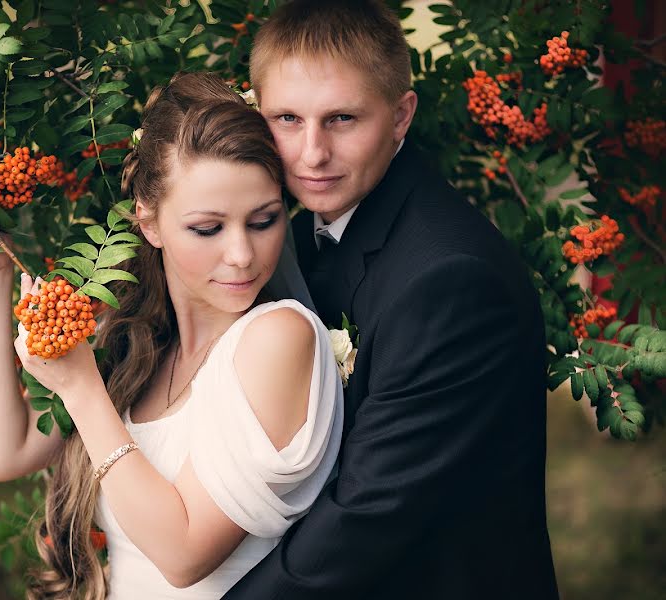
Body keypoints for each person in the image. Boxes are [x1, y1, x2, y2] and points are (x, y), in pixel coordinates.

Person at [0, 71, 344, 599]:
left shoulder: (277, 337)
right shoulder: (138, 344)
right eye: (207, 228)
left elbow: (183, 556)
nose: (242, 254)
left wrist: (80, 388)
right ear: (150, 223)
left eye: (264, 220)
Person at [222, 1, 560, 599]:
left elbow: (366, 516)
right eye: (288, 119)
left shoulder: (451, 283)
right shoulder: (293, 237)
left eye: (343, 119)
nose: (311, 153)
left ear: (401, 116)